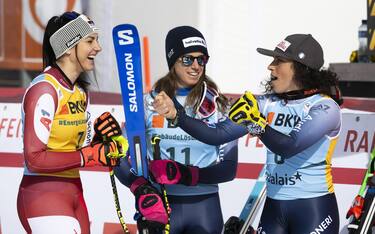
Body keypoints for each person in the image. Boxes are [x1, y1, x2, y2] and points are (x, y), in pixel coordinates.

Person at [153, 33, 343, 234]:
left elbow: (289, 146)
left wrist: (257, 124)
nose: (271, 66)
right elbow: (218, 135)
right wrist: (176, 115)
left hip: (313, 209)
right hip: (274, 209)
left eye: (279, 61)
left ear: (300, 67)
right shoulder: (267, 103)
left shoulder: (324, 107)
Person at [114, 26, 238, 234]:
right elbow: (118, 155)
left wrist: (187, 174)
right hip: (160, 206)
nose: (196, 66)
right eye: (188, 59)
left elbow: (229, 169)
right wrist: (140, 188)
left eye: (202, 59)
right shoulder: (149, 103)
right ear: (173, 61)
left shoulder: (218, 105)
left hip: (204, 207)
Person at [17, 11, 125, 234]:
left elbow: (76, 152)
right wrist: (89, 156)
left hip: (74, 192)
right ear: (67, 47)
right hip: (43, 193)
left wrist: (101, 142)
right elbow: (34, 159)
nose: (98, 48)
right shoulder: (45, 89)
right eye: (90, 41)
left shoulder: (79, 92)